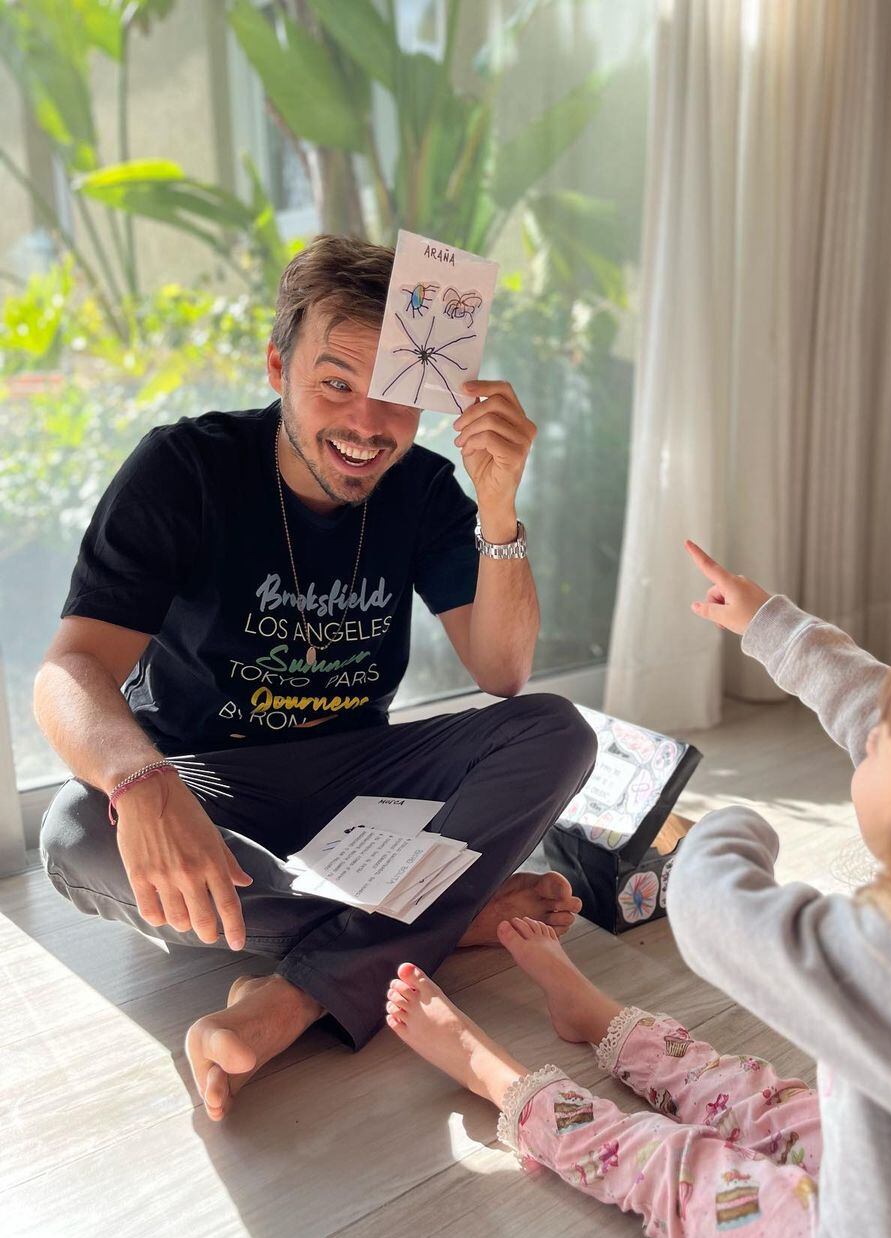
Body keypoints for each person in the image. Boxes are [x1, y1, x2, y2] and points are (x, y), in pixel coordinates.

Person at [379, 544, 891, 1238]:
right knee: (765, 1100)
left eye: (890, 743)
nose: (872, 732)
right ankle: (597, 1016)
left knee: (679, 1172)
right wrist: (771, 626)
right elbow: (882, 711)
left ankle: (508, 1087)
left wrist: (730, 825)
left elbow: (715, 912)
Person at [34, 235, 596, 1121]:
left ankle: (300, 990)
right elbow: (70, 671)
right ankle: (449, 915)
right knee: (73, 832)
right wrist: (140, 785)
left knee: (556, 728)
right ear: (276, 365)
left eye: (394, 397)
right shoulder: (184, 470)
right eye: (336, 383)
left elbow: (503, 669)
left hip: (356, 779)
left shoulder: (426, 489)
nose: (368, 426)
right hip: (210, 787)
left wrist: (498, 504)